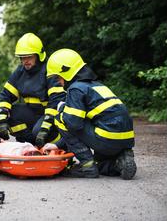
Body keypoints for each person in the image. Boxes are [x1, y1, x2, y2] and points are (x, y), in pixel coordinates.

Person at [43, 48, 137, 179]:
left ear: (67, 71)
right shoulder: (97, 86)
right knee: (102, 165)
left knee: (61, 116)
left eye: (59, 77)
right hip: (125, 139)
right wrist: (57, 145)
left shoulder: (76, 89)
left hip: (106, 138)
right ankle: (121, 160)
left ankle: (87, 167)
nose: (59, 81)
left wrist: (62, 109)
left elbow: (73, 124)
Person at [0, 33, 66, 147]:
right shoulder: (20, 71)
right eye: (22, 57)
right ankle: (31, 144)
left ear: (39, 56)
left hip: (51, 115)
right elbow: (5, 96)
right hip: (32, 112)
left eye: (29, 57)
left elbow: (56, 102)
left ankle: (61, 145)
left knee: (39, 131)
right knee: (10, 117)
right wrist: (2, 122)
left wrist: (45, 128)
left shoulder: (50, 70)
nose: (25, 61)